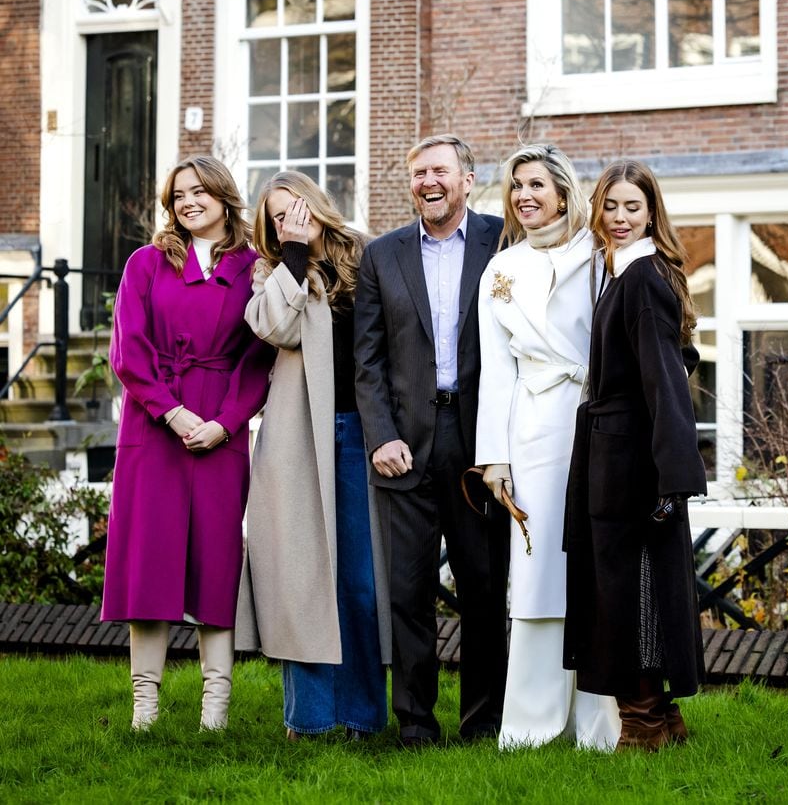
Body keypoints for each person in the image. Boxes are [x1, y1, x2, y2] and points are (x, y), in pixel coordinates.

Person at [101, 154, 273, 731]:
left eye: (199, 192)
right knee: (148, 563)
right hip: (153, 430)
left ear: (225, 196)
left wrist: (225, 423)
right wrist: (172, 414)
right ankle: (144, 706)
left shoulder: (255, 267)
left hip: (220, 433)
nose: (188, 202)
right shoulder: (146, 264)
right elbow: (129, 350)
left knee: (216, 562)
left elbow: (259, 359)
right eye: (178, 195)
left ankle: (214, 711)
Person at [354, 134, 510, 747]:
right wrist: (380, 437)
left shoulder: (503, 242)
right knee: (408, 593)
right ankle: (415, 724)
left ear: (467, 180)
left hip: (480, 444)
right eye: (418, 172)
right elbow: (366, 360)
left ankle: (483, 725)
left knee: (482, 588)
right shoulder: (381, 255)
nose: (428, 182)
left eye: (440, 170)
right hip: (405, 447)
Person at [235, 171, 390, 741]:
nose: (288, 220)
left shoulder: (369, 254)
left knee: (359, 580)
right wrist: (295, 256)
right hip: (300, 436)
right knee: (303, 579)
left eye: (294, 208)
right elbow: (275, 327)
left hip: (361, 433)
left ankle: (363, 716)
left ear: (317, 202)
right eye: (277, 217)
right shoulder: (273, 273)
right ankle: (311, 717)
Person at [476, 143, 621, 751]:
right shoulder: (501, 269)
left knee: (593, 567)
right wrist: (494, 457)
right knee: (536, 573)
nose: (524, 196)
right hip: (532, 426)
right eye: (516, 187)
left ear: (564, 191)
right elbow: (495, 370)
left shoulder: (603, 258)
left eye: (537, 184)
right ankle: (530, 726)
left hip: (594, 422)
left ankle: (600, 725)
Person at [563, 159, 707, 751]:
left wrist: (672, 477)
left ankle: (643, 721)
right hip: (613, 452)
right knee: (628, 586)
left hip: (631, 465)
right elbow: (674, 357)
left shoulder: (642, 276)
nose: (619, 218)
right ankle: (664, 720)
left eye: (633, 208)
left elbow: (665, 382)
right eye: (611, 206)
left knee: (630, 590)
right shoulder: (622, 272)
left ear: (651, 214)